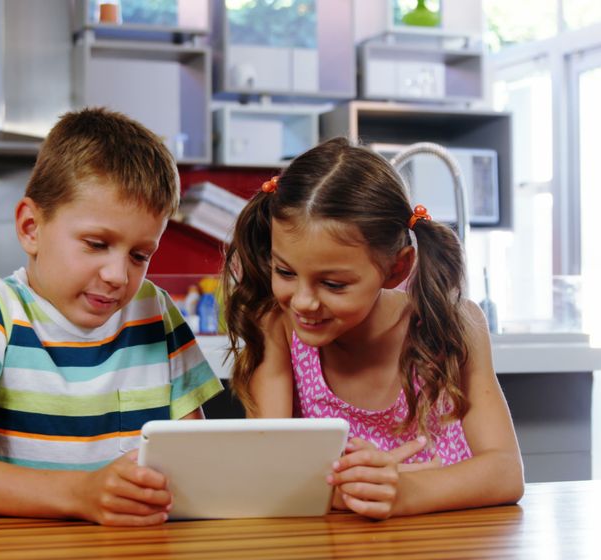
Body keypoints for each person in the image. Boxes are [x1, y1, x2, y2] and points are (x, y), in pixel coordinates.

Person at [0, 108, 223, 526]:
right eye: (96, 244)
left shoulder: (156, 313)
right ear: (30, 227)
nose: (118, 275)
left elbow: (199, 465)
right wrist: (82, 494)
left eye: (139, 255)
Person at [221, 137, 524, 520]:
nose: (303, 301)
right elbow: (269, 476)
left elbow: (505, 472)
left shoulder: (455, 326)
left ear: (396, 268)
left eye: (333, 284)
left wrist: (403, 491)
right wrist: (362, 491)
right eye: (285, 272)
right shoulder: (278, 329)